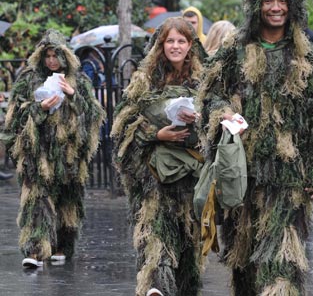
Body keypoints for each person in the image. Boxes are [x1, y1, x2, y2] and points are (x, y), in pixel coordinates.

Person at [197, 0, 313, 294]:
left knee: (282, 259)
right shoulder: (234, 51)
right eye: (268, 0)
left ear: (293, 6)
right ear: (256, 5)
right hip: (241, 172)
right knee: (244, 261)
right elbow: (208, 95)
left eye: (283, 0)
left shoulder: (307, 56)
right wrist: (223, 113)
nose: (275, 7)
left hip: (290, 175)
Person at [111, 17, 207, 296]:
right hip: (153, 176)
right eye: (170, 41)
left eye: (181, 41)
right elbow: (124, 123)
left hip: (190, 175)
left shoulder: (204, 78)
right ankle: (156, 286)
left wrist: (201, 119)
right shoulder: (145, 79)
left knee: (188, 243)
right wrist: (157, 134)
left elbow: (220, 116)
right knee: (156, 236)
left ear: (191, 45)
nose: (175, 46)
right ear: (161, 44)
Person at [1, 29, 105, 268]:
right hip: (38, 152)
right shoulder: (28, 79)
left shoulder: (78, 80)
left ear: (65, 56)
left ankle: (62, 245)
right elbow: (15, 117)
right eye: (47, 56)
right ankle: (36, 249)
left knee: (67, 200)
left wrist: (72, 95)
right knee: (37, 198)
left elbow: (93, 114)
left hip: (69, 152)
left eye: (55, 55)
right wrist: (40, 109)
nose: (51, 60)